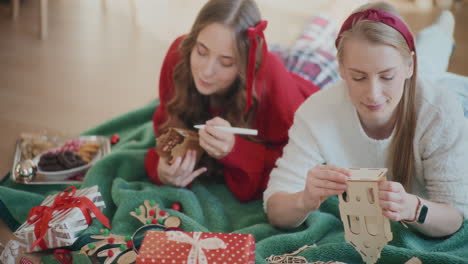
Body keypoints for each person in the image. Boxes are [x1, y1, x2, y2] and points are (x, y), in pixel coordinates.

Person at [264, 1, 468, 237]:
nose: (373, 93)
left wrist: (413, 208)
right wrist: (304, 199)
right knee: (427, 66)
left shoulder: (441, 112)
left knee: (432, 64)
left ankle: (441, 31)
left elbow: (455, 216)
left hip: (455, 96)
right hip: (410, 86)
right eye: (358, 77)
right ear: (340, 68)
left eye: (387, 76)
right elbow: (276, 208)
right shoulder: (315, 113)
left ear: (409, 66)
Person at [143, 0, 347, 202]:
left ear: (246, 64)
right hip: (267, 59)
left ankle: (335, 10)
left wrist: (235, 149)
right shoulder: (179, 55)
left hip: (311, 74)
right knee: (303, 40)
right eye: (202, 51)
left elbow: (297, 165)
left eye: (226, 62)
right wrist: (163, 170)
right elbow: (165, 125)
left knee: (316, 43)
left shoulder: (275, 89)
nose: (206, 71)